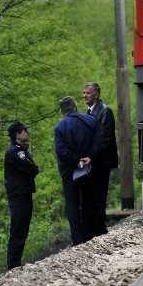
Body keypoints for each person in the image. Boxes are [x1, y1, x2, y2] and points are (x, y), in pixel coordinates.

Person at [54, 96, 106, 245]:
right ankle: (90, 235)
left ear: (62, 111)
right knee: (89, 202)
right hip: (89, 169)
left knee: (72, 205)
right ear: (75, 106)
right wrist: (89, 157)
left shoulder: (59, 127)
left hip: (69, 171)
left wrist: (76, 160)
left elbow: (61, 150)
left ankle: (78, 240)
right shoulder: (91, 120)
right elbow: (100, 140)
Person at [82, 82, 119, 235]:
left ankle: (99, 230)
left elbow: (104, 139)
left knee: (99, 195)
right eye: (83, 93)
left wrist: (91, 156)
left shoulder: (105, 112)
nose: (84, 95)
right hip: (93, 160)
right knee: (93, 195)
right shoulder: (88, 112)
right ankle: (95, 229)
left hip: (101, 162)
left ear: (96, 95)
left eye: (87, 93)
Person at [4, 121, 39, 270]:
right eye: (24, 131)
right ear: (17, 134)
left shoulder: (21, 150)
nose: (27, 133)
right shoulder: (14, 151)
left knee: (22, 229)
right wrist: (33, 167)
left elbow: (32, 168)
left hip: (23, 194)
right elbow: (32, 169)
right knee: (18, 229)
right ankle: (13, 265)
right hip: (18, 196)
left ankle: (15, 264)